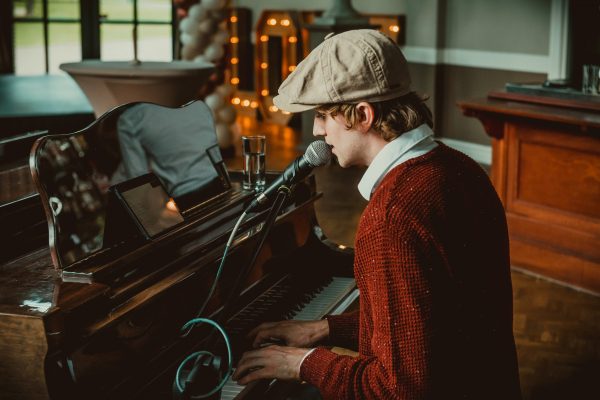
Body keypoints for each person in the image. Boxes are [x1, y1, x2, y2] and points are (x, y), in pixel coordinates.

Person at [232, 29, 521, 399]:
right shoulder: (460, 168)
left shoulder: (391, 218)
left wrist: (302, 364)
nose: (318, 132)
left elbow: (399, 389)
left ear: (364, 115)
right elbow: (430, 324)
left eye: (323, 115)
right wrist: (324, 331)